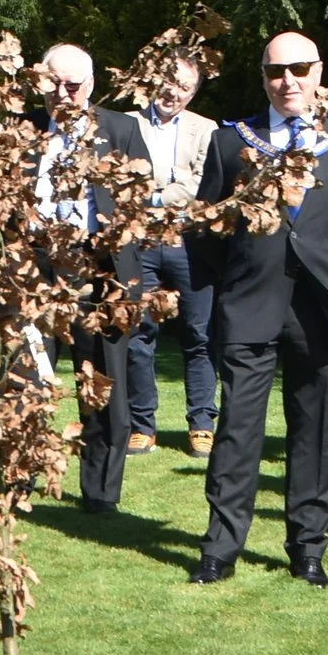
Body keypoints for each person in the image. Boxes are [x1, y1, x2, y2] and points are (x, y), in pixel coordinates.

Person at [189, 30, 328, 586]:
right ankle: (220, 549)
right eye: (276, 71)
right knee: (237, 431)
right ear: (263, 77)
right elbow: (208, 229)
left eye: (300, 68)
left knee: (316, 432)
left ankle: (308, 548)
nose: (288, 81)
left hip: (323, 307)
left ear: (320, 72)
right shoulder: (234, 142)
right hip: (252, 302)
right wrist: (244, 273)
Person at [35, 43, 150, 512]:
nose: (63, 94)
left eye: (73, 85)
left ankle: (100, 494)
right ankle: (23, 477)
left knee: (102, 387)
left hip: (102, 276)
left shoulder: (122, 130)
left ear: (91, 84)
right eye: (53, 84)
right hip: (37, 274)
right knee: (29, 381)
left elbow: (137, 205)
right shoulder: (21, 131)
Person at [124, 50, 218, 457]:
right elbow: (120, 177)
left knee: (199, 335)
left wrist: (155, 192)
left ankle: (201, 423)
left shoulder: (207, 129)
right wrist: (171, 190)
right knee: (138, 334)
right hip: (140, 243)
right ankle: (143, 425)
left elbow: (200, 184)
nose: (173, 91)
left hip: (188, 243)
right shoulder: (127, 123)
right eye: (169, 81)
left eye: (184, 86)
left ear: (193, 93)